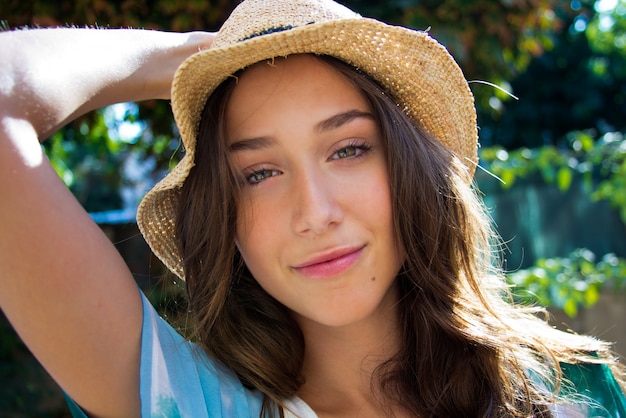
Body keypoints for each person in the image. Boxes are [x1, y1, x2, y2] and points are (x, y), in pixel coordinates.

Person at [1, 0, 625, 416]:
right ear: (226, 217)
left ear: (410, 170)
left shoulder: (569, 393)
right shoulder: (193, 402)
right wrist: (197, 55)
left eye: (349, 149)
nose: (314, 212)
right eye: (260, 172)